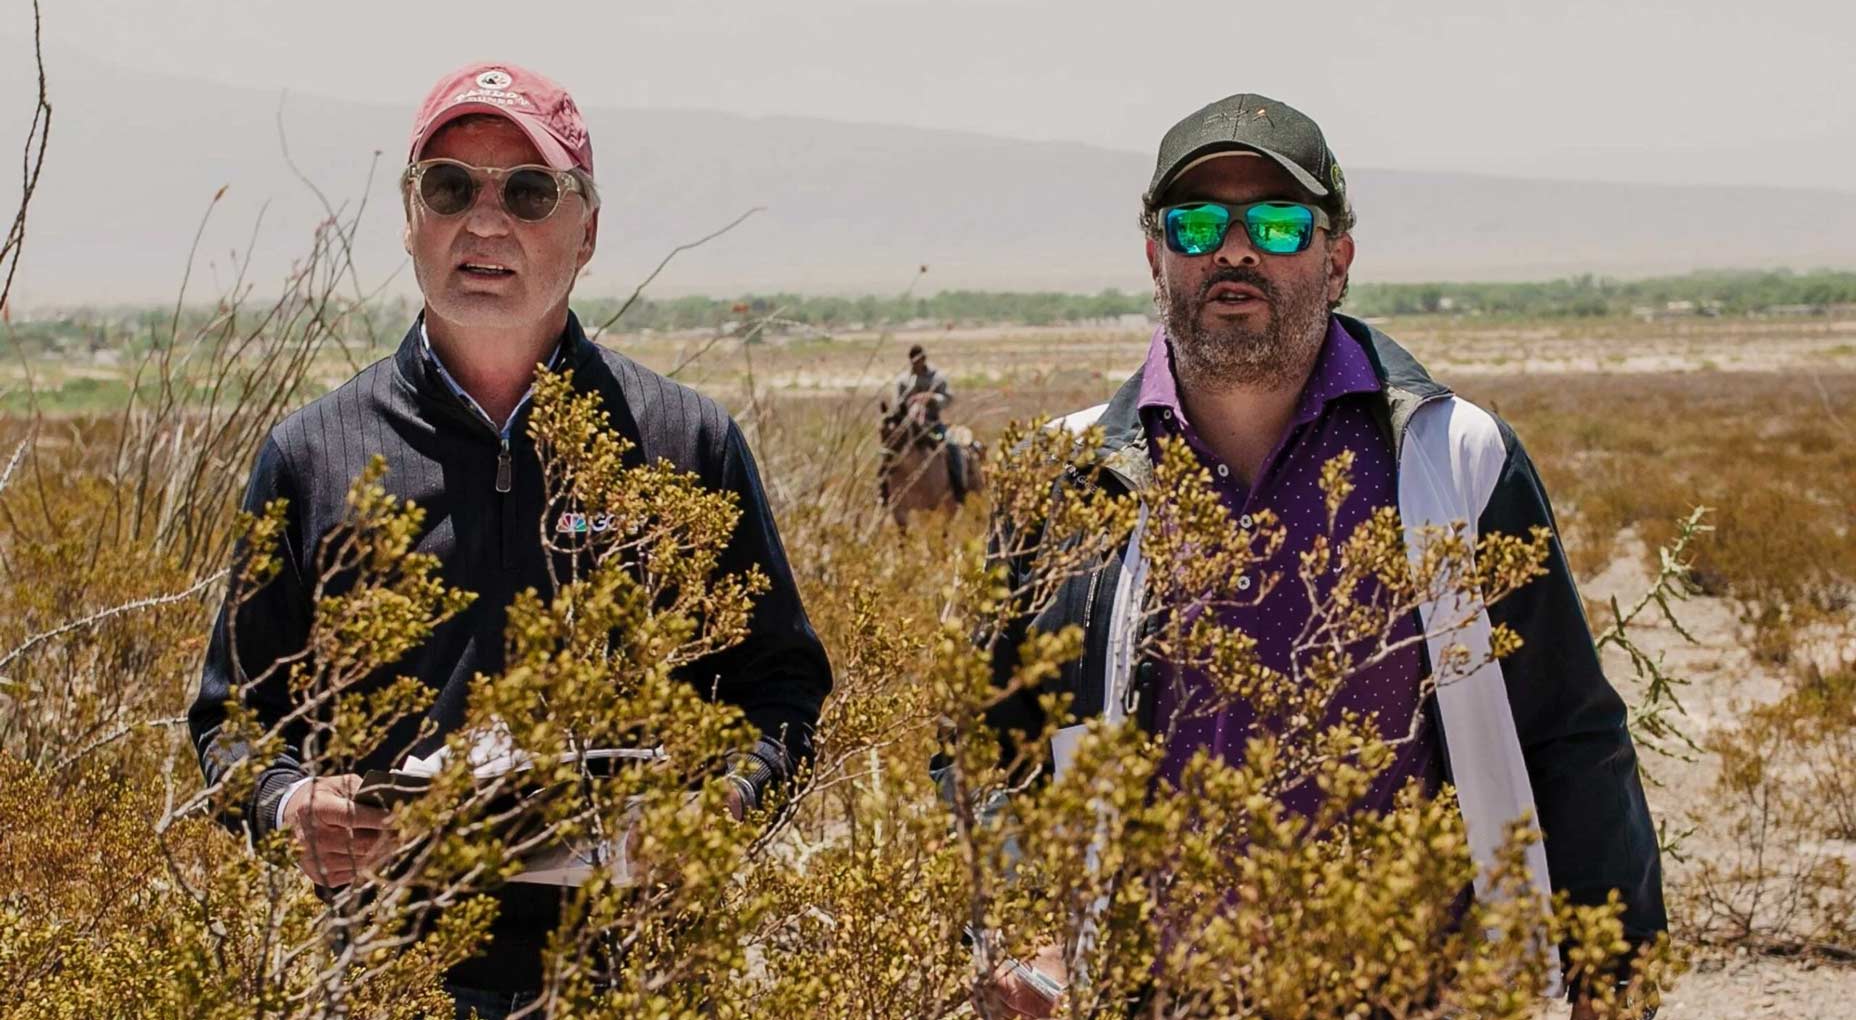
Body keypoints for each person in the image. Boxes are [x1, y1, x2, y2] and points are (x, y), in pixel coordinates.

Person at [960, 94, 1664, 1017]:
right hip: (1142, 996)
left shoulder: (1453, 457)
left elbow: (1570, 734)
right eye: (1199, 222)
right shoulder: (1062, 478)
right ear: (1154, 255)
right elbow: (978, 750)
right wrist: (1016, 929)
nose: (1238, 249)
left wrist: (1618, 983)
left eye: (1282, 223)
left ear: (1337, 262)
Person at [187, 61, 831, 1016]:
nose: (485, 222)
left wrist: (720, 806)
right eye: (450, 187)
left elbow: (780, 687)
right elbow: (233, 717)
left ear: (588, 231)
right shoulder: (312, 453)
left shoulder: (683, 443)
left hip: (633, 972)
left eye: (530, 192)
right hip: (382, 977)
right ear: (410, 219)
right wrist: (288, 807)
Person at [880, 343, 967, 505]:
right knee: (888, 451)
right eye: (913, 361)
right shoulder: (903, 381)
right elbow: (897, 404)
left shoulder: (937, 378)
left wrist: (932, 398)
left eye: (919, 360)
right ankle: (884, 492)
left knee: (952, 446)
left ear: (924, 360)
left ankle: (958, 489)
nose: (916, 364)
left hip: (932, 424)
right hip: (909, 425)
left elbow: (948, 398)